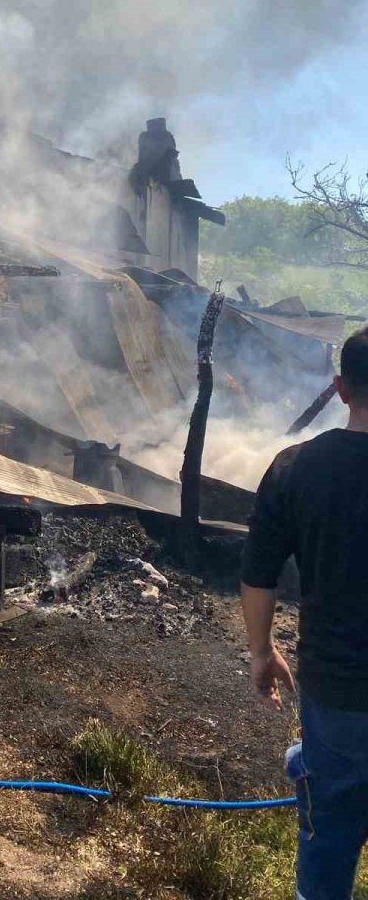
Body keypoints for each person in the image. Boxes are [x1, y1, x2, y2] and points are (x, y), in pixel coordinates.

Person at [241, 326, 368, 900]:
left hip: (336, 695)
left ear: (341, 389)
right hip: (336, 694)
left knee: (327, 847)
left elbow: (258, 574)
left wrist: (262, 653)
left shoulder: (295, 469)